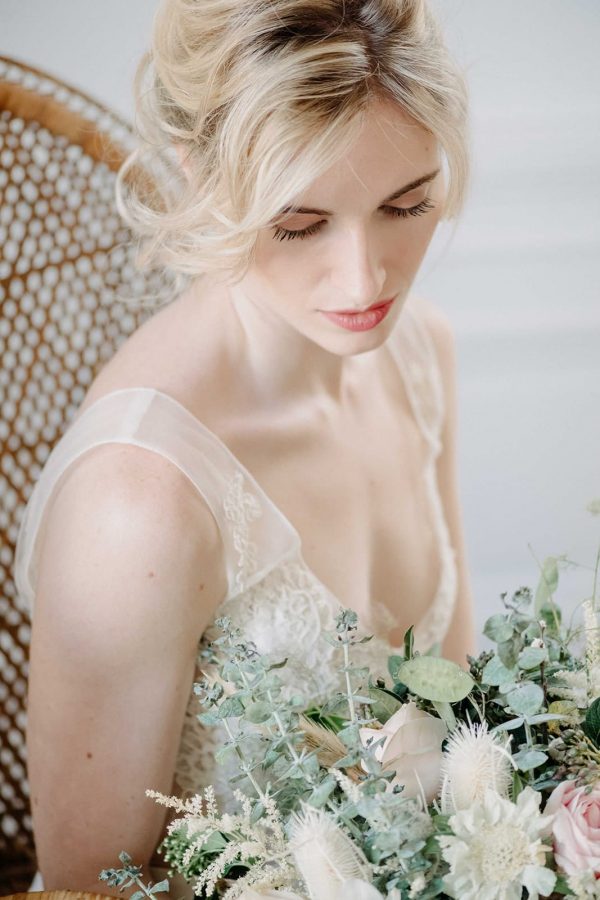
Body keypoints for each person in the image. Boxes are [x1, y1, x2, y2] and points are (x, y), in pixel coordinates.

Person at [15, 0, 477, 894]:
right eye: (299, 224)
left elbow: (457, 718)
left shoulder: (421, 355)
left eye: (406, 204)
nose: (365, 279)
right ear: (199, 181)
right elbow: (90, 887)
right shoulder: (139, 499)